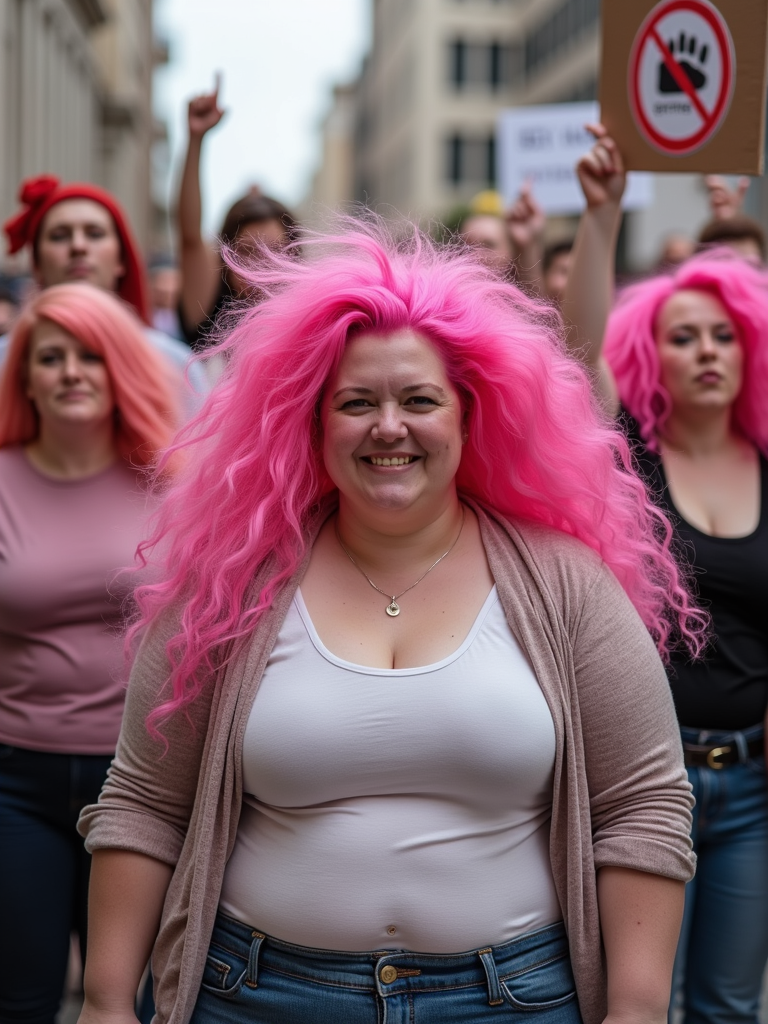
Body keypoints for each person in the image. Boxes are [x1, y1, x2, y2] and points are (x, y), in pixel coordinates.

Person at [77, 221, 702, 1024]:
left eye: (419, 400)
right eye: (356, 403)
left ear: (472, 415)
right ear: (311, 423)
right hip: (258, 997)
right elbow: (144, 803)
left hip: (513, 1002)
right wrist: (104, 1003)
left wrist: (636, 1010)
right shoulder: (231, 588)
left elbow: (642, 805)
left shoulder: (565, 585)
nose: (389, 426)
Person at [562, 125, 768, 1024]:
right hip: (646, 780)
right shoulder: (630, 458)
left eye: (725, 335)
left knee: (729, 1007)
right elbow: (578, 358)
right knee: (636, 1005)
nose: (708, 351)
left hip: (753, 789)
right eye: (685, 337)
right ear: (654, 354)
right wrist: (601, 216)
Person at [0, 282, 180, 1024]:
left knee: (139, 1001)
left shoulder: (171, 479)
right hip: (16, 779)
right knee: (21, 1001)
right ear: (25, 379)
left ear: (120, 370)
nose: (71, 371)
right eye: (51, 357)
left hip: (144, 780)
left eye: (91, 355)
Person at [2, 175, 208, 408]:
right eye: (59, 236)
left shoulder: (174, 366)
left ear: (121, 258)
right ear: (36, 263)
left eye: (95, 233)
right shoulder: (4, 360)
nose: (78, 246)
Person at [177, 75, 299, 350]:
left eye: (276, 251)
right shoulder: (207, 313)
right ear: (225, 257)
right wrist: (195, 139)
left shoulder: (312, 327)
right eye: (248, 252)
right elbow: (190, 237)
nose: (262, 267)